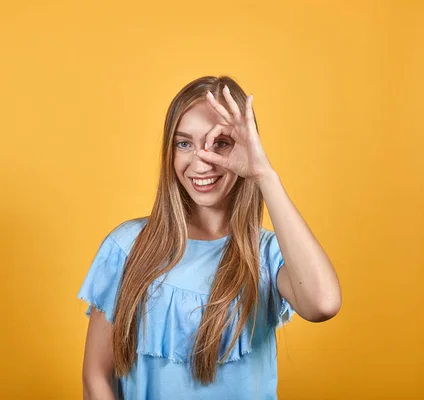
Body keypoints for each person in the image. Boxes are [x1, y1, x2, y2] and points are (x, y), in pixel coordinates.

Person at [77, 75, 342, 400]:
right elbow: (96, 378)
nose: (202, 161)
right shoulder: (126, 247)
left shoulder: (267, 254)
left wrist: (264, 176)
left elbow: (323, 304)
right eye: (184, 143)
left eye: (221, 143)